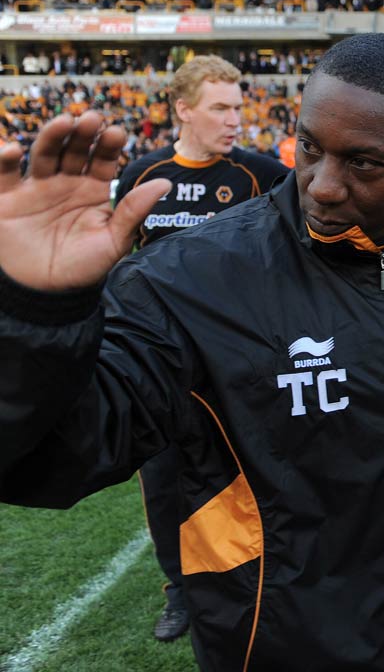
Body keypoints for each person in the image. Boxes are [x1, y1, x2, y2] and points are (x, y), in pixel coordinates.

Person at [0, 34, 384, 671]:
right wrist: (37, 313)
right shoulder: (190, 279)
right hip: (286, 648)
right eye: (310, 148)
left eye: (363, 164)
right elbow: (47, 459)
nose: (322, 186)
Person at [113, 54, 287, 643]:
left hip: (241, 365)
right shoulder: (141, 175)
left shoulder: (262, 174)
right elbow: (117, 262)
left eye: (239, 107)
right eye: (220, 108)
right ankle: (181, 591)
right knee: (163, 484)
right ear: (183, 110)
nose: (235, 119)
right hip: (160, 367)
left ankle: (260, 575)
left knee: (251, 476)